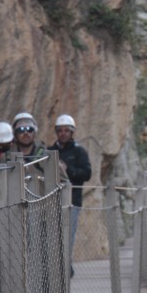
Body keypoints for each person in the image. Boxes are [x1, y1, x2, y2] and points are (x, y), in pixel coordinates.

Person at [47, 114, 92, 277]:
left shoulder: (79, 152)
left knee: (68, 235)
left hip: (72, 201)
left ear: (72, 132)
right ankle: (55, 267)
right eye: (60, 130)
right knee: (52, 236)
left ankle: (66, 266)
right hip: (52, 201)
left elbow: (87, 173)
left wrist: (68, 170)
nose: (63, 133)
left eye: (66, 130)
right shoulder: (50, 152)